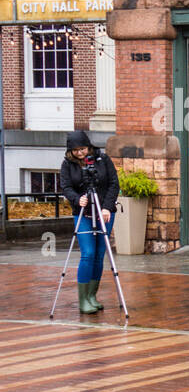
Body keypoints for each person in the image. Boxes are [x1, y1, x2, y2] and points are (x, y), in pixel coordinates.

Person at [60, 132, 119, 315]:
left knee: (100, 254)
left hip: (104, 213)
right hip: (83, 213)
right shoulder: (67, 165)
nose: (80, 153)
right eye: (76, 150)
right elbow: (66, 186)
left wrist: (107, 207)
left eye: (83, 149)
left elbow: (113, 184)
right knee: (88, 253)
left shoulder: (102, 159)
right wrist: (77, 200)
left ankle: (92, 296)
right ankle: (83, 299)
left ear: (89, 146)